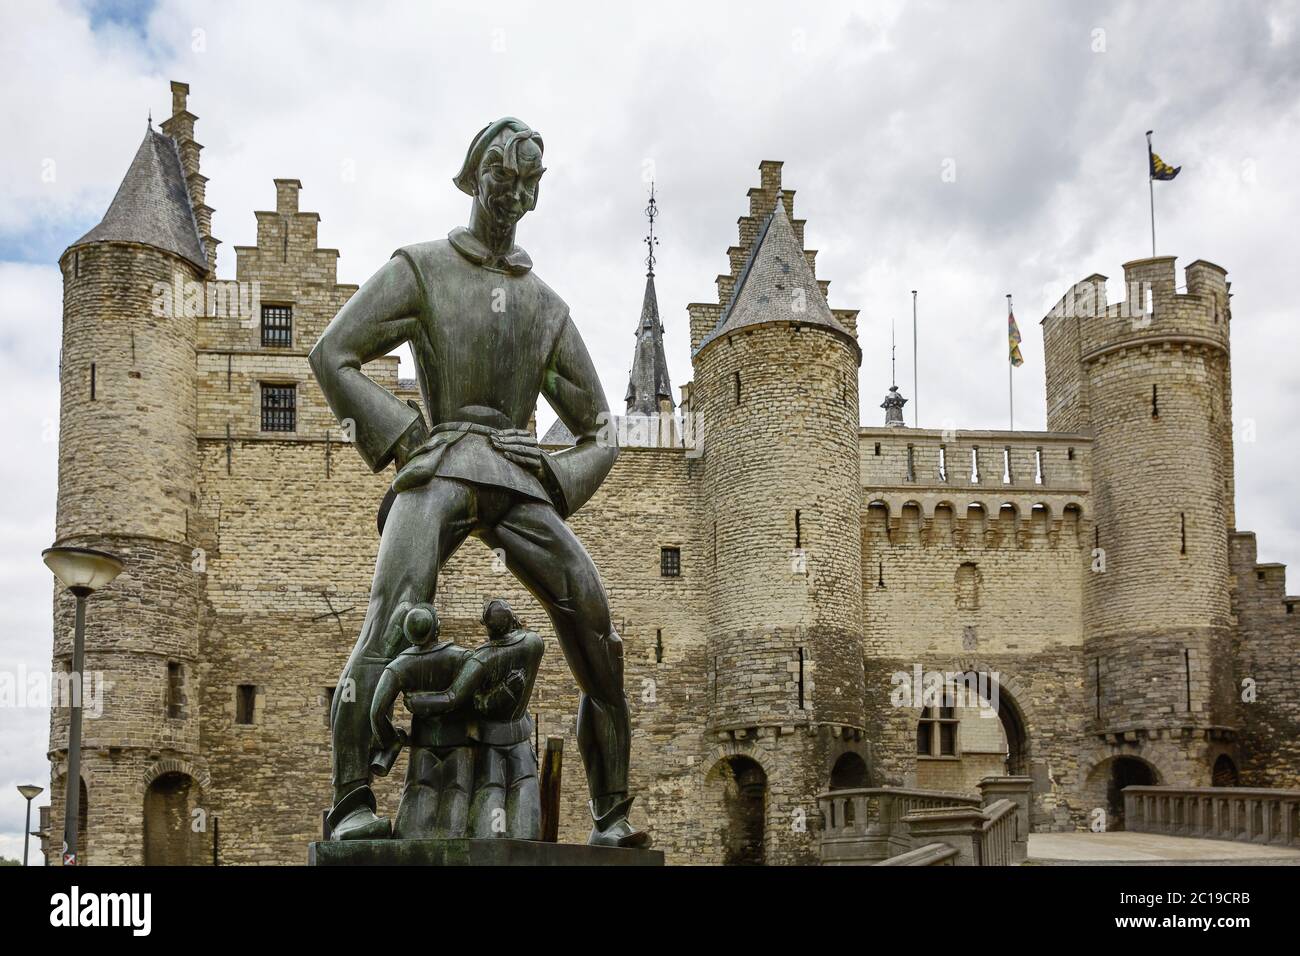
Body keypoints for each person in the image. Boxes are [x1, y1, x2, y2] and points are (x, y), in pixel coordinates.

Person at [314, 118, 644, 847]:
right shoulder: (424, 269)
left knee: (593, 620)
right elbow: (331, 352)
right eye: (504, 178)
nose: (515, 195)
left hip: (519, 479)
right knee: (393, 607)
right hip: (441, 462)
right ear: (475, 178)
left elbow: (602, 430)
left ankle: (613, 814)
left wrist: (555, 478)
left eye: (529, 182)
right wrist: (404, 439)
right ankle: (350, 801)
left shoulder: (546, 307)